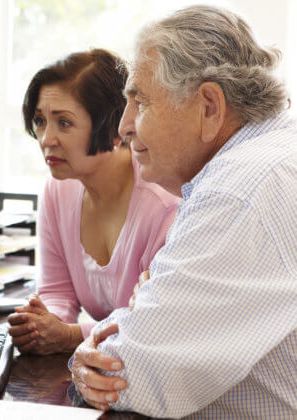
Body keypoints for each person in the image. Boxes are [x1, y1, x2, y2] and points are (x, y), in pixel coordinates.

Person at [71, 5, 297, 418]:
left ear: (210, 106)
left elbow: (128, 375)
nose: (124, 126)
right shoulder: (265, 159)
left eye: (140, 101)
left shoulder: (239, 189)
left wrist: (88, 354)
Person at [7, 49, 179, 355]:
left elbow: (156, 322)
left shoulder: (164, 205)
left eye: (64, 123)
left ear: (112, 126)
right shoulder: (57, 191)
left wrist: (71, 335)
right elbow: (56, 292)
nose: (46, 139)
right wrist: (41, 325)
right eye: (40, 121)